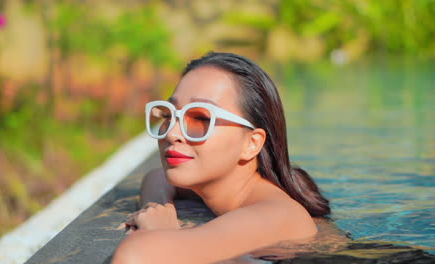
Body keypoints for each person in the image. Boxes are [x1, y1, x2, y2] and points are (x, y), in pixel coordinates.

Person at [112, 52, 330, 263]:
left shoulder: (276, 215)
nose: (172, 133)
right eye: (170, 115)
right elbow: (156, 177)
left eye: (201, 118)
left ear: (251, 144)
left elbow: (136, 255)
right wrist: (159, 209)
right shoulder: (228, 189)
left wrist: (164, 233)